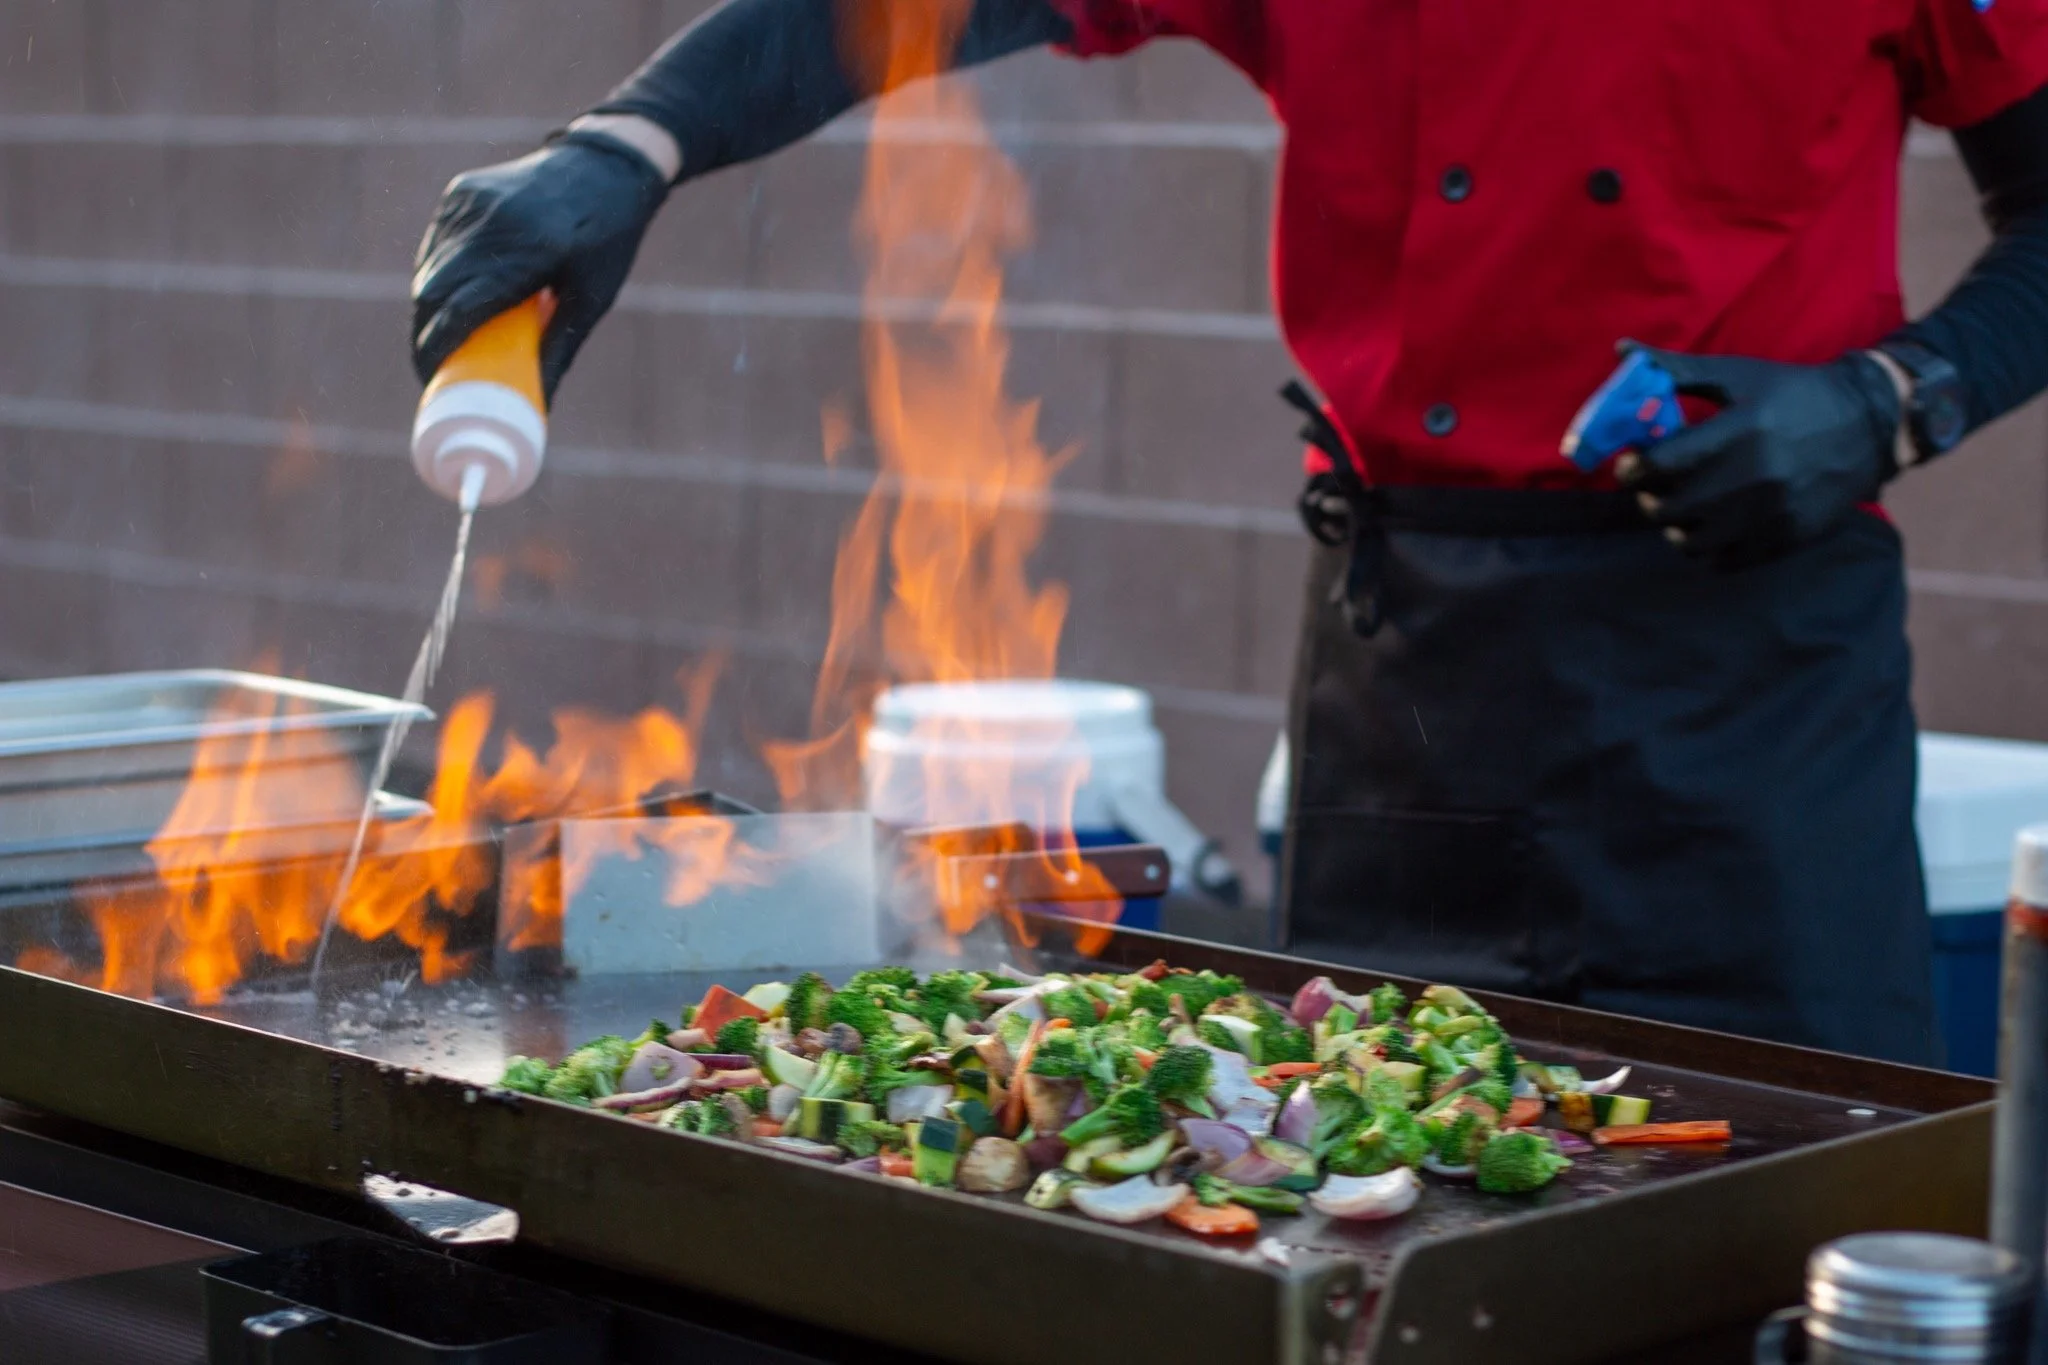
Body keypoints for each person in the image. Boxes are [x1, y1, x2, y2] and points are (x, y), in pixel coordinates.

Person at [412, 0, 2048, 1066]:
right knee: (1370, 1212)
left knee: (1767, 1243)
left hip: (1752, 695)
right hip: (1411, 679)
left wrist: (1897, 399)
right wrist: (629, 145)